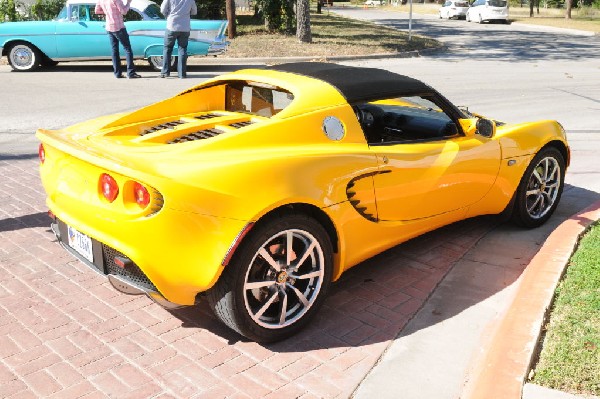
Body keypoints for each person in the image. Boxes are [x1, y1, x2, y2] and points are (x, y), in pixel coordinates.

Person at [95, 0, 142, 79]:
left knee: (114, 50)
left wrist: (108, 12)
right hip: (119, 27)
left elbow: (97, 11)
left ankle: (117, 73)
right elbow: (124, 12)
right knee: (127, 48)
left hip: (109, 27)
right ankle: (131, 72)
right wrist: (128, 3)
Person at [160, 0, 197, 79]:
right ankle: (182, 74)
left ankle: (165, 72)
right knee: (182, 49)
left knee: (167, 48)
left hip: (172, 25)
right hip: (185, 27)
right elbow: (194, 11)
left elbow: (162, 9)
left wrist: (168, 15)